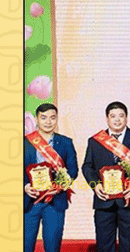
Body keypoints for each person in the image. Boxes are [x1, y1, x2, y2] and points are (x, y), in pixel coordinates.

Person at [82, 101, 130, 252]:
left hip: (129, 200)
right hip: (104, 200)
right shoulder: (95, 141)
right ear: (107, 118)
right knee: (104, 244)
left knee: (128, 244)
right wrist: (95, 185)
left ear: (126, 118)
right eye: (113, 116)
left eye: (121, 116)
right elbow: (87, 166)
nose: (117, 120)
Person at [24, 103, 78, 252]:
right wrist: (25, 186)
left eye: (52, 118)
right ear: (36, 119)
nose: (48, 122)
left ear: (57, 119)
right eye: (44, 118)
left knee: (52, 247)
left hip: (55, 202)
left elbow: (73, 170)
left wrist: (60, 185)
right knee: (25, 246)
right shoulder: (24, 142)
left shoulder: (66, 142)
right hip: (29, 202)